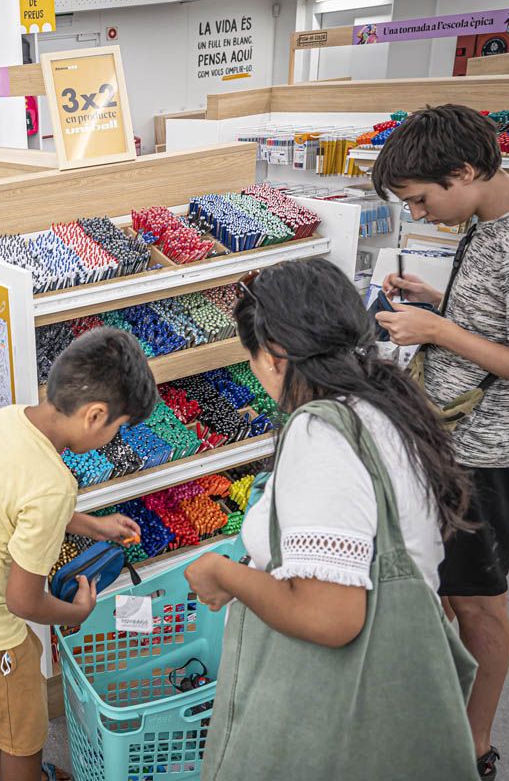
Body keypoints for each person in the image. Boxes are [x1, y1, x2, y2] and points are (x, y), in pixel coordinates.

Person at [184, 260, 478, 780]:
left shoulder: (321, 436)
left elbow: (331, 618)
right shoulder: (387, 404)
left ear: (275, 357)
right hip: (396, 693)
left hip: (336, 709)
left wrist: (222, 572)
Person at [0, 327, 154, 781]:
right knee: (23, 730)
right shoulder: (52, 484)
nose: (114, 439)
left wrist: (95, 525)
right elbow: (22, 601)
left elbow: (16, 504)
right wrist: (75, 609)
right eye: (118, 428)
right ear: (95, 416)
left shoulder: (7, 419)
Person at [373, 103, 509, 781]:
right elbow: (498, 321)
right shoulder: (489, 222)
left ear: (464, 171)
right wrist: (438, 302)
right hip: (458, 442)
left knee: (480, 602)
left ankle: (476, 744)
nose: (422, 214)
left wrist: (436, 333)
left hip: (488, 452)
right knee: (454, 589)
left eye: (423, 200)